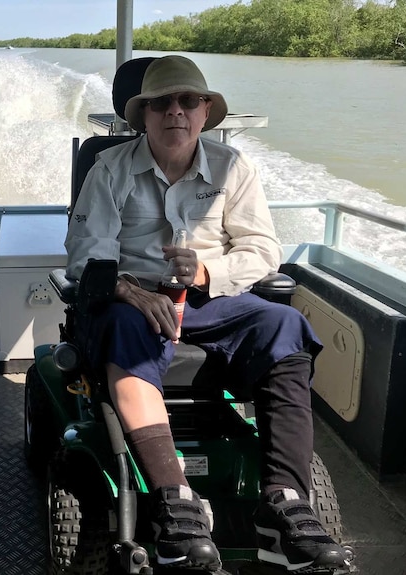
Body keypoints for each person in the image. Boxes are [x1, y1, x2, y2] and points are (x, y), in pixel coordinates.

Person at [65, 56, 347, 573]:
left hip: (211, 297)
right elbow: (86, 254)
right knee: (127, 328)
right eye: (161, 103)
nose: (175, 111)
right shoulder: (109, 169)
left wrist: (204, 272)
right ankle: (176, 501)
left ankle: (282, 502)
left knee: (284, 324)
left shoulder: (234, 167)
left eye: (187, 101)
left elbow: (262, 249)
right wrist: (129, 290)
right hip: (132, 300)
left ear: (204, 111)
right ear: (143, 115)